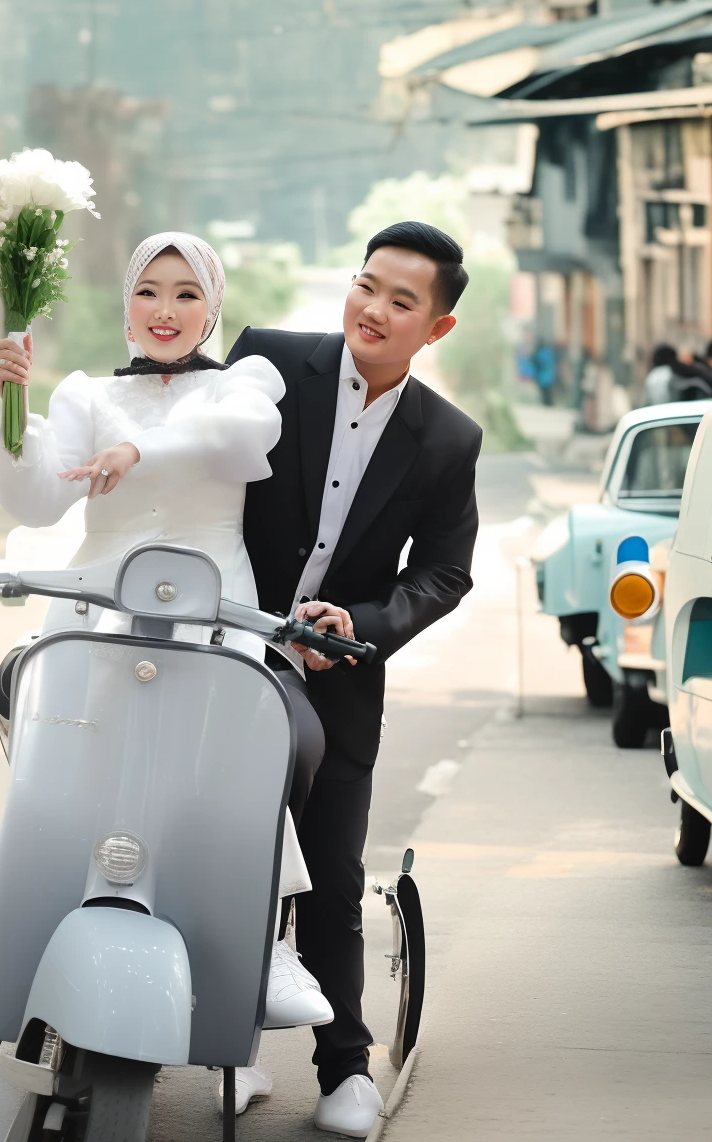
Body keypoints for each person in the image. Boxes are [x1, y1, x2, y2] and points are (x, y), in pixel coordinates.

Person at [0, 231, 338, 1054]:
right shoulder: (83, 393)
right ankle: (49, 938)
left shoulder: (248, 382)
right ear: (126, 304)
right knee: (80, 782)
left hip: (211, 608)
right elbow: (36, 503)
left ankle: (266, 948)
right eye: (150, 291)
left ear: (213, 306)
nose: (167, 311)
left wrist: (138, 448)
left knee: (226, 775)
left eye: (187, 293)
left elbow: (240, 441)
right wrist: (12, 415)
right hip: (98, 610)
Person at [224, 220, 480, 1137]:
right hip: (223, 657)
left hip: (338, 686)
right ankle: (230, 1050)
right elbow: (187, 446)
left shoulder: (448, 440)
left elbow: (444, 573)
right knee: (225, 859)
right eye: (367, 285)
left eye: (402, 301)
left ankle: (346, 1070)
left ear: (435, 328)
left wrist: (361, 629)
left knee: (331, 876)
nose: (373, 309)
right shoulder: (267, 360)